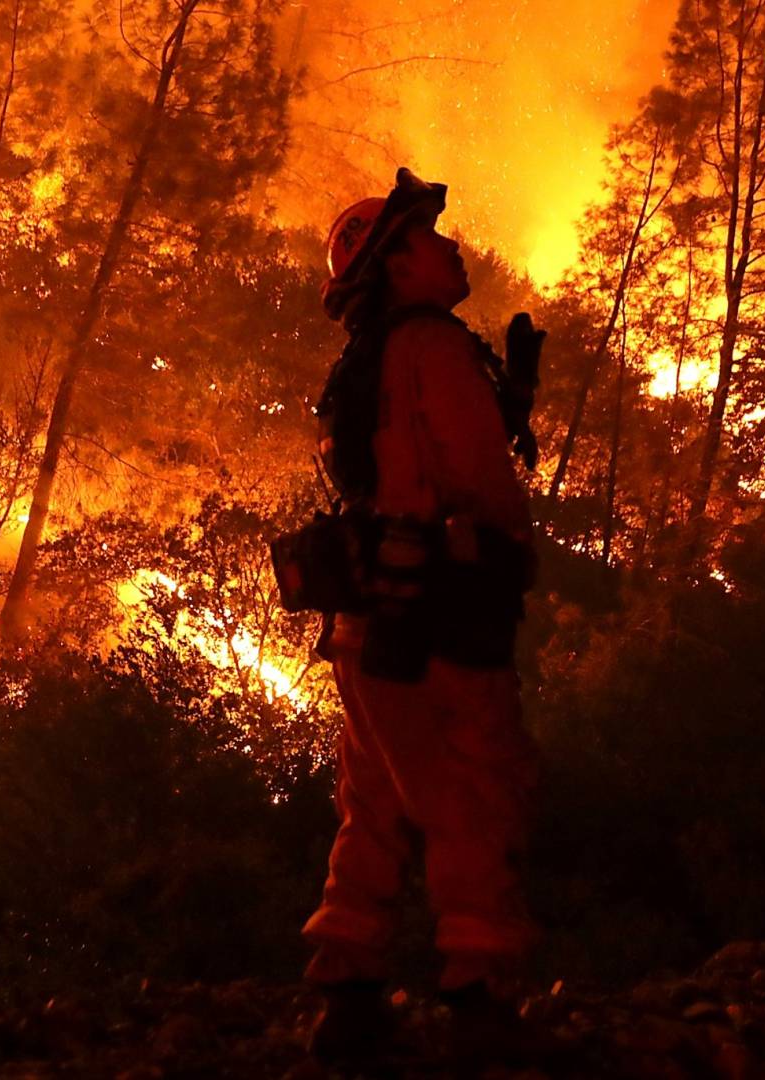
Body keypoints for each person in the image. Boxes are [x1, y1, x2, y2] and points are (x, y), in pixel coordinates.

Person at [299, 168, 545, 1066]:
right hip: (444, 618)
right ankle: (479, 995)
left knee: (373, 802)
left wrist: (509, 400)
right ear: (398, 266)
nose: (451, 245)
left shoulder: (362, 363)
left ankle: (348, 989)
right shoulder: (433, 347)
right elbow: (474, 476)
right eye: (429, 237)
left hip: (370, 624)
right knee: (477, 791)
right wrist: (518, 551)